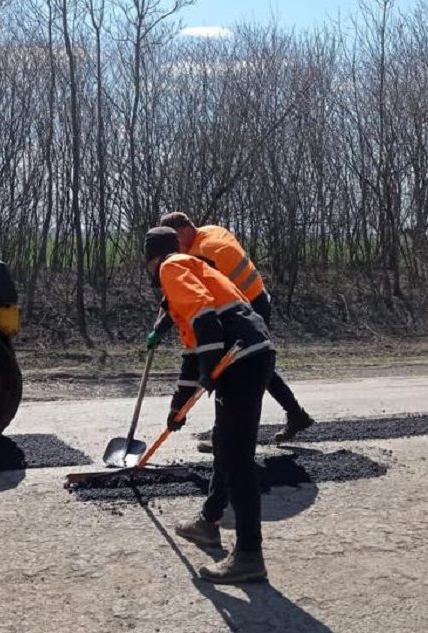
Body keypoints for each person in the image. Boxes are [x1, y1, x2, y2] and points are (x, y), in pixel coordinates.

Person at [145, 226, 275, 584]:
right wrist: (178, 409)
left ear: (151, 259)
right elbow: (194, 348)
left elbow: (205, 320)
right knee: (224, 443)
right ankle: (209, 522)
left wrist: (209, 366)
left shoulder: (172, 267)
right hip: (251, 355)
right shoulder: (195, 268)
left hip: (241, 358)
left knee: (237, 457)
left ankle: (249, 555)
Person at [151, 212, 314, 443]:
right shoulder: (211, 230)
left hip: (243, 310)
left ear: (185, 229)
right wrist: (161, 324)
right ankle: (296, 414)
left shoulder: (204, 252)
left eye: (174, 238)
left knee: (234, 366)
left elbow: (194, 296)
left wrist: (162, 325)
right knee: (254, 363)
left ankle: (228, 437)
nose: (174, 246)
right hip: (255, 299)